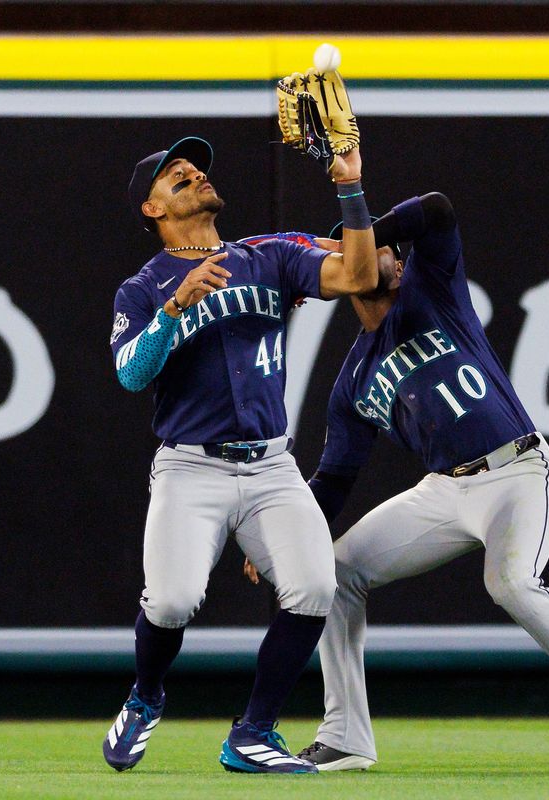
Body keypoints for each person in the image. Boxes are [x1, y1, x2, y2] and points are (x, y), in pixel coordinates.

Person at [249, 191, 549, 773]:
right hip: (445, 489)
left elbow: (435, 209)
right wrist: (292, 536)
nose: (371, 251)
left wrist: (369, 227)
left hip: (517, 470)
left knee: (510, 581)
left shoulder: (432, 288)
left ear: (400, 260)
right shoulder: (353, 379)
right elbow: (334, 478)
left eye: (379, 247)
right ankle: (346, 735)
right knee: (333, 572)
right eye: (357, 248)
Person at [103, 134, 378, 775]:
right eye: (176, 176)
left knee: (314, 586)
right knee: (170, 602)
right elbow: (130, 374)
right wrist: (173, 308)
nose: (194, 174)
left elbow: (361, 273)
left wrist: (350, 184)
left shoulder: (269, 255)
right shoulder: (142, 288)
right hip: (190, 465)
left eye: (195, 168)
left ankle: (253, 732)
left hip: (270, 465)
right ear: (153, 211)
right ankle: (145, 697)